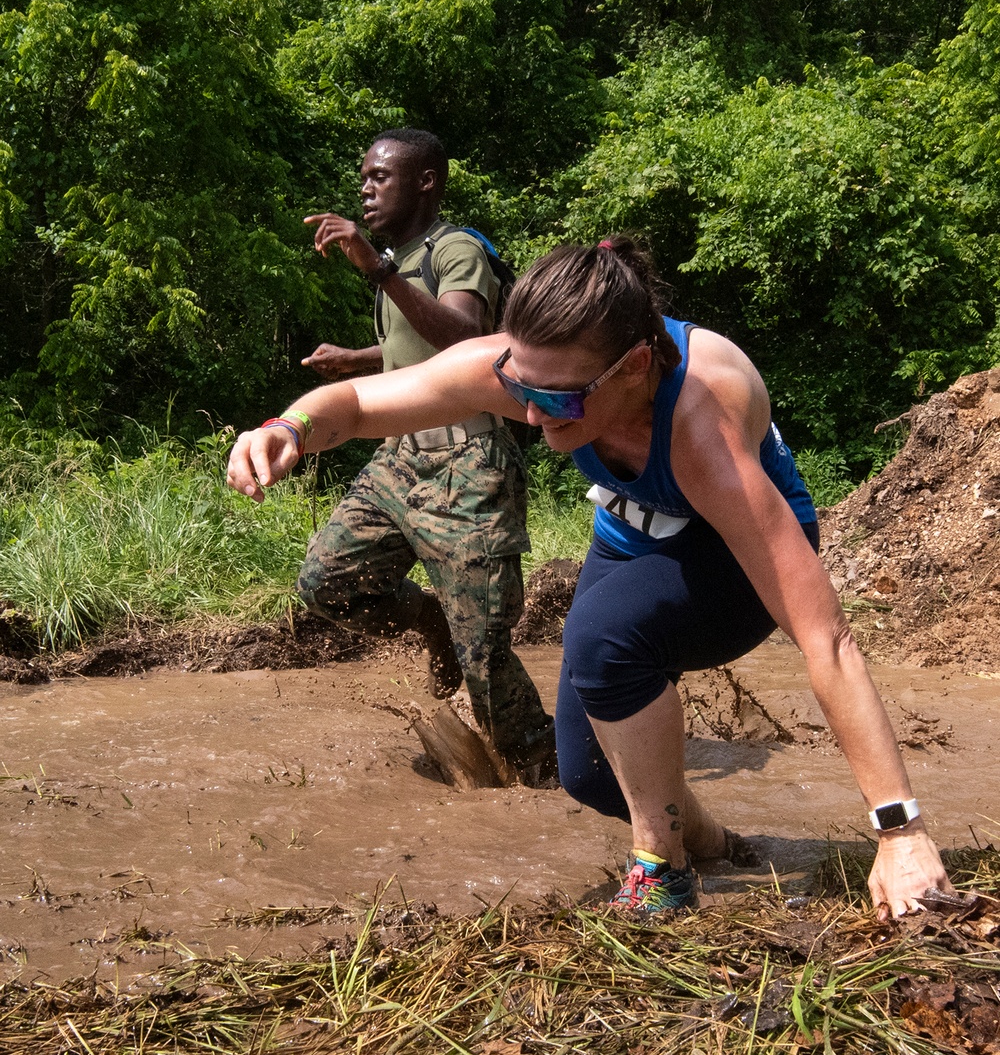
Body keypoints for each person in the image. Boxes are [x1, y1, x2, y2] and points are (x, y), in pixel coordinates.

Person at [228, 237, 953, 922]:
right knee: (585, 771)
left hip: (732, 553)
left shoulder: (701, 426)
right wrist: (286, 430)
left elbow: (827, 640)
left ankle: (660, 874)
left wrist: (900, 833)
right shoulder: (535, 369)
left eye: (562, 401)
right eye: (522, 389)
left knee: (606, 642)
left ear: (636, 366)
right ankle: (707, 842)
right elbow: (356, 405)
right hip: (634, 532)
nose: (537, 417)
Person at [292, 127, 553, 776]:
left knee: (484, 651)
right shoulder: (401, 263)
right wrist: (357, 358)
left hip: (469, 461)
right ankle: (432, 624)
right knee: (328, 584)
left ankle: (544, 771)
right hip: (400, 457)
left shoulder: (455, 249)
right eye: (364, 176)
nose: (365, 187)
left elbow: (468, 335)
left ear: (426, 182)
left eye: (380, 176)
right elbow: (419, 346)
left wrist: (379, 268)